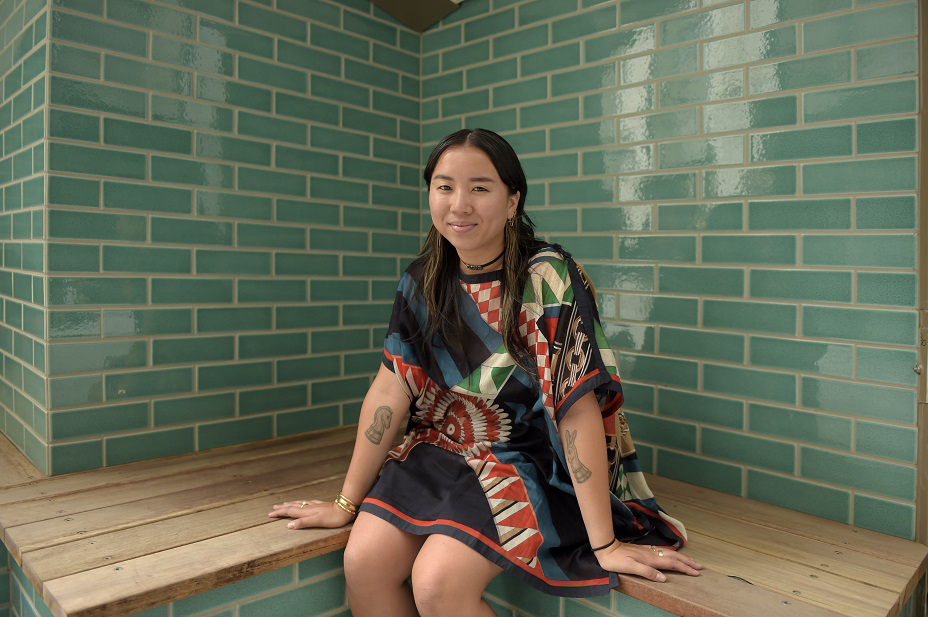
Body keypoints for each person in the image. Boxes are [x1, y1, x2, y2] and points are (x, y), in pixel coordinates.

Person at [269, 128, 702, 617]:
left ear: (513, 199)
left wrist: (602, 544)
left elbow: (575, 404)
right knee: (363, 564)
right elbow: (391, 388)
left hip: (531, 459)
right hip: (442, 450)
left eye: (480, 187)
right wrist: (345, 503)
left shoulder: (547, 275)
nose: (459, 204)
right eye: (444, 186)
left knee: (437, 585)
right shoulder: (421, 279)